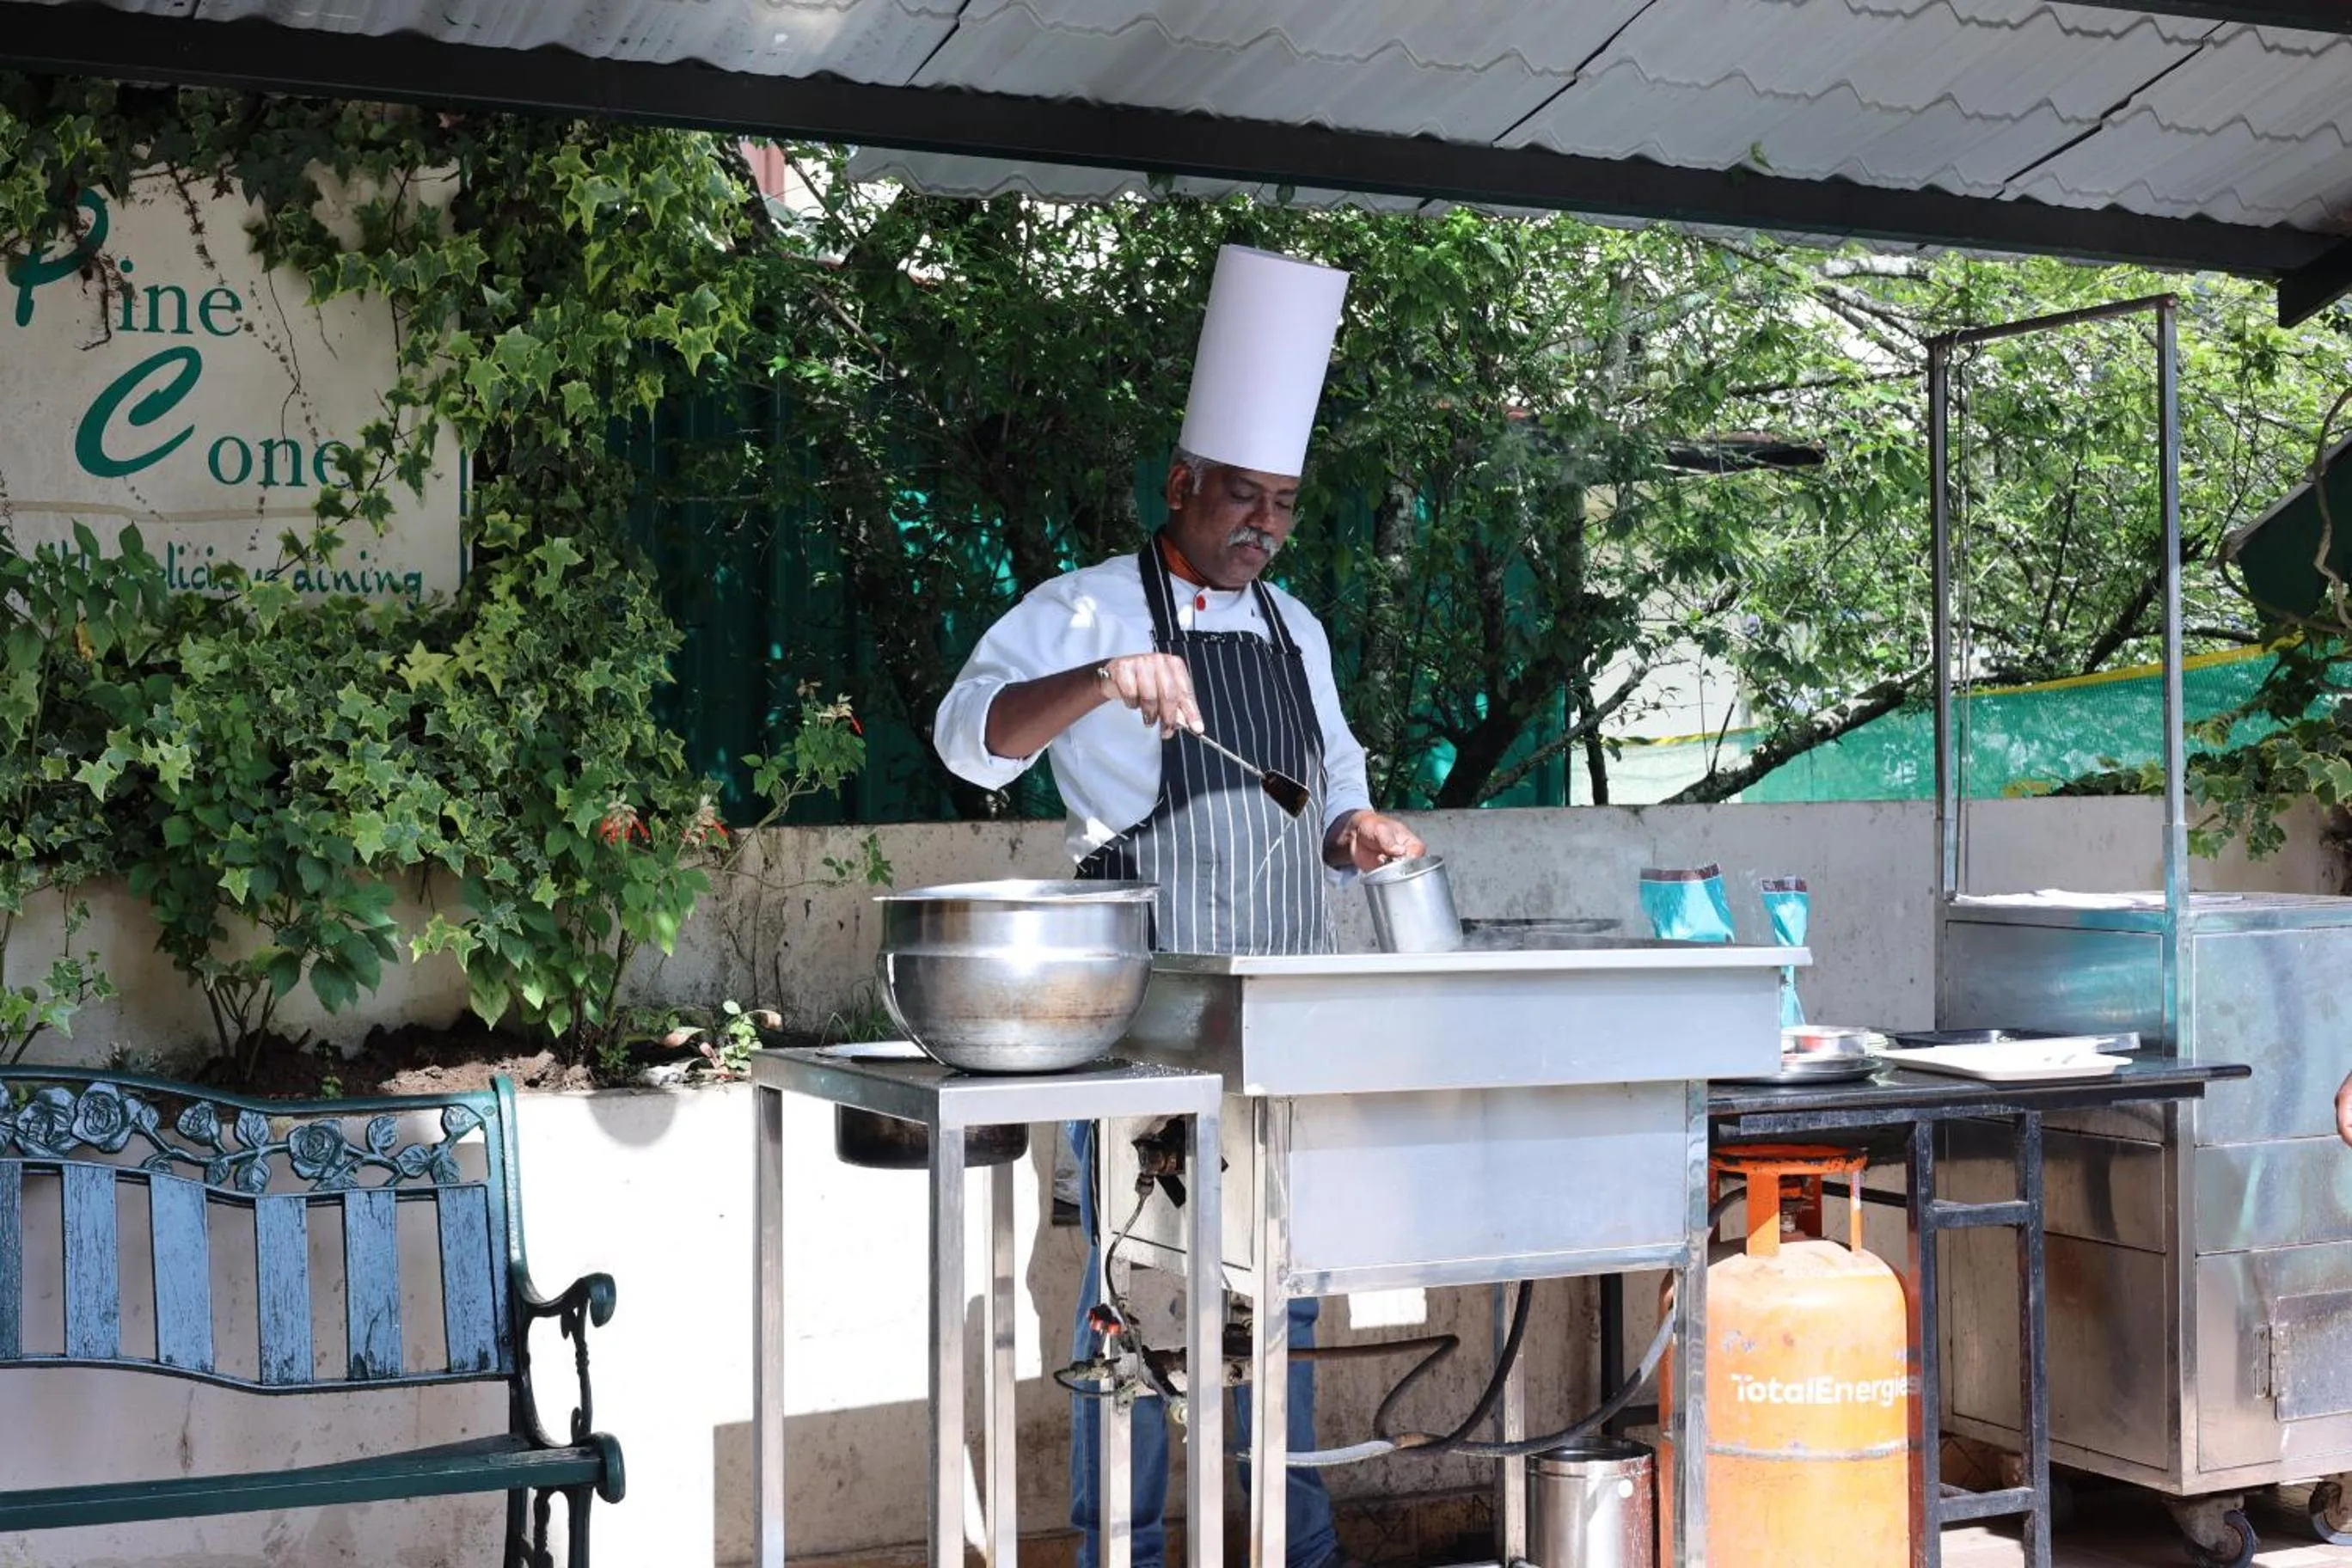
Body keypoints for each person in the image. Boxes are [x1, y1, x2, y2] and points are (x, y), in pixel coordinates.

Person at [932, 244, 1424, 1568]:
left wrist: (1359, 830)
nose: (1262, 524)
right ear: (1181, 486)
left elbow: (1333, 793)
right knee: (1144, 1321)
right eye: (1241, 498)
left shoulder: (1297, 628)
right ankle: (1127, 1556)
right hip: (1149, 1024)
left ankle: (1292, 1549)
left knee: (1289, 1311)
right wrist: (1101, 679)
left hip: (1289, 1021)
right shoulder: (1082, 606)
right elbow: (966, 741)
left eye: (1284, 503)